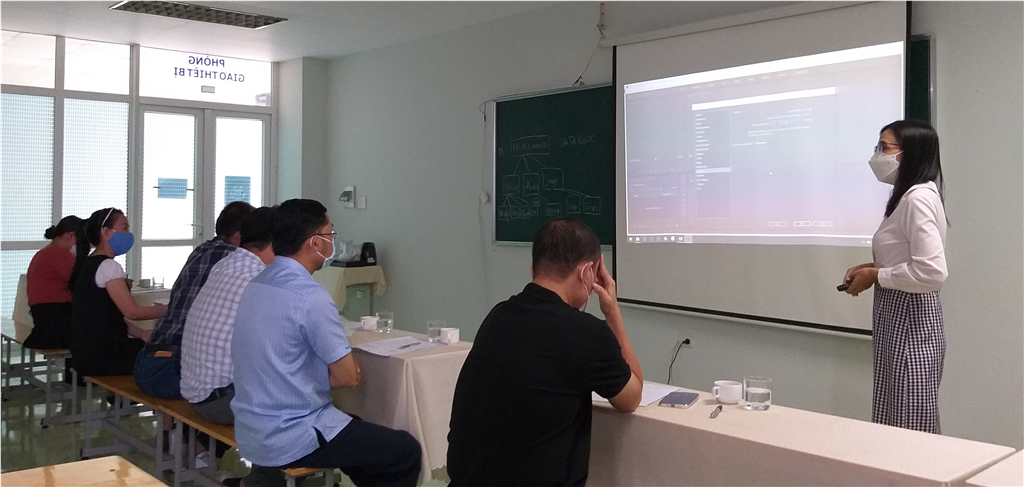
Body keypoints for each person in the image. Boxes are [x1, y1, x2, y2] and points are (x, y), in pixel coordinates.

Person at [232, 198, 421, 487]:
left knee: (360, 434)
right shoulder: (310, 296)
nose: (333, 241)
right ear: (316, 242)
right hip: (293, 433)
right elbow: (348, 378)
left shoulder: (257, 284)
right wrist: (332, 372)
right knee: (404, 451)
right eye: (330, 234)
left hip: (251, 427)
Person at [447, 218, 644, 487]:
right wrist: (612, 312)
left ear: (533, 269)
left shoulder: (498, 316)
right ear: (587, 272)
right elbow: (632, 397)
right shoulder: (586, 332)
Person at [843, 120, 948, 434]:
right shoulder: (908, 196)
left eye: (885, 147)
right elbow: (906, 255)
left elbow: (932, 272)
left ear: (910, 153)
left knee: (910, 425)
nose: (878, 155)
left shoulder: (918, 198)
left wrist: (877, 275)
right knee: (893, 416)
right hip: (897, 313)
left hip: (910, 316)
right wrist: (872, 268)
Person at [133, 201, 254, 399]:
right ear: (238, 236)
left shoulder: (201, 250)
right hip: (174, 367)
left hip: (148, 360)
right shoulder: (234, 261)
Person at [179, 206, 276, 425]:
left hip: (197, 390)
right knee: (304, 399)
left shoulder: (226, 264)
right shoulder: (260, 277)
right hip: (221, 400)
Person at [71, 208, 167, 376]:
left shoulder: (88, 263)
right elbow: (133, 312)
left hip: (85, 354)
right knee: (170, 354)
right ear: (106, 232)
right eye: (125, 228)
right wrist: (175, 308)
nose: (129, 234)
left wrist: (141, 333)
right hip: (106, 356)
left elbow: (107, 317)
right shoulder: (108, 266)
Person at [24, 215, 88, 350]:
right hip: (56, 319)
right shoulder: (58, 254)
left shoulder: (45, 253)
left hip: (45, 317)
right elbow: (84, 283)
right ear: (71, 236)